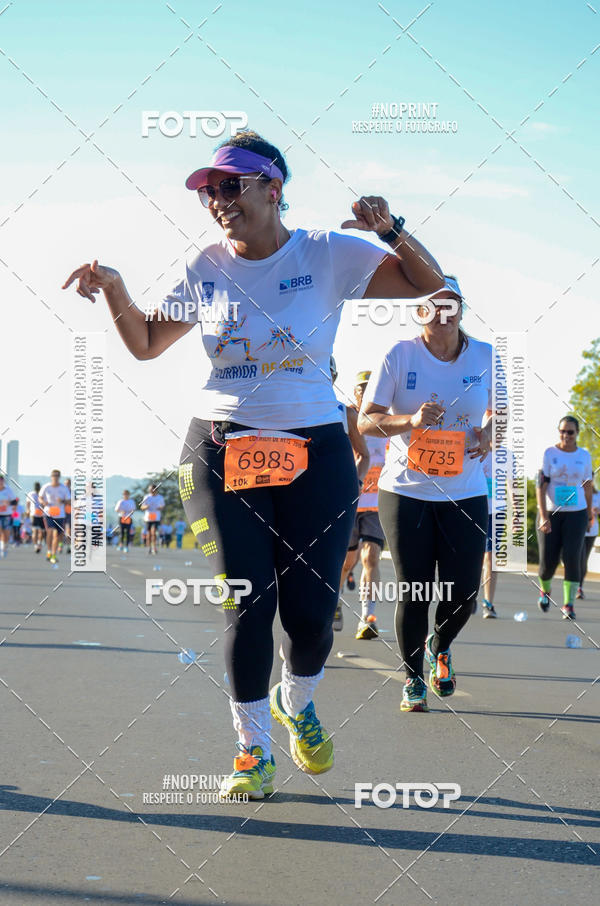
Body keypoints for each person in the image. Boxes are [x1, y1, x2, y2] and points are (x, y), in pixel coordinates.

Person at [63, 129, 443, 799]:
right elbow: (149, 341)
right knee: (247, 602)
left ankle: (297, 701)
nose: (217, 201)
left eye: (229, 186)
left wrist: (393, 229)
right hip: (220, 444)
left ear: (273, 189)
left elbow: (426, 284)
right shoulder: (204, 264)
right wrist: (117, 288)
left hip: (316, 450)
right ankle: (252, 751)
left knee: (310, 611)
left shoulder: (329, 253)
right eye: (209, 192)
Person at [359, 275, 493, 713]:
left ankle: (441, 645)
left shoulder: (486, 357)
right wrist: (411, 420)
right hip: (407, 491)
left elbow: (503, 411)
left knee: (464, 594)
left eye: (451, 303)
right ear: (419, 312)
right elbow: (366, 421)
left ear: (462, 308)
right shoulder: (400, 355)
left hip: (465, 492)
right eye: (433, 305)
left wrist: (490, 432)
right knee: (415, 588)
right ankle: (414, 679)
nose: (442, 312)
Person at [338, 371, 387, 639]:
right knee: (347, 562)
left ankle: (368, 616)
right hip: (350, 501)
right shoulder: (345, 422)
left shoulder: (384, 423)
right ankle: (334, 600)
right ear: (355, 394)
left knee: (371, 557)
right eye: (362, 389)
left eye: (372, 389)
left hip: (376, 504)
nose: (367, 394)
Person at [536, 417, 594, 619]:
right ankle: (545, 590)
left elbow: (587, 487)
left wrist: (589, 515)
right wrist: (543, 516)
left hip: (576, 513)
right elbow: (541, 486)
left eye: (570, 432)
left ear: (577, 433)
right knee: (547, 564)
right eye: (562, 431)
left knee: (572, 558)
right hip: (552, 513)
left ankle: (568, 605)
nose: (566, 436)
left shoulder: (584, 456)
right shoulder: (549, 453)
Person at [329, 357, 371, 632]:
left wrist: (354, 481)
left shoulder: (344, 413)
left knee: (343, 557)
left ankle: (333, 602)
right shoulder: (290, 410)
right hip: (298, 501)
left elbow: (364, 455)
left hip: (339, 499)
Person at [39, 469, 70, 565]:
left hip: (60, 515)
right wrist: (43, 502)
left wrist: (63, 501)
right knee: (50, 532)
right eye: (53, 475)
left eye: (57, 475)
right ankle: (49, 551)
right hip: (49, 513)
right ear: (51, 477)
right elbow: (40, 497)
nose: (55, 477)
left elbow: (69, 501)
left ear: (59, 477)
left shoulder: (64, 488)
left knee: (57, 535)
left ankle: (53, 554)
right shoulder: (46, 487)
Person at [577, 484, 599, 599]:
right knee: (578, 558)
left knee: (584, 559)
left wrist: (597, 510)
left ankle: (579, 587)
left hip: (592, 531)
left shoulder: (598, 494)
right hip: (578, 529)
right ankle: (576, 585)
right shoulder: (577, 490)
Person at [140, 484, 164, 555]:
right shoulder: (146, 497)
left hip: (156, 517)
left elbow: (162, 506)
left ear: (156, 490)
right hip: (148, 518)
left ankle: (154, 547)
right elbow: (142, 507)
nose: (151, 491)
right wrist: (146, 507)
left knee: (154, 532)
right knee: (149, 533)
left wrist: (159, 507)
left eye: (153, 490)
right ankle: (149, 547)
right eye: (150, 490)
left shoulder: (160, 497)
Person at [0, 475, 17, 558]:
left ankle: (5, 545)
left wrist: (8, 503)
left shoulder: (8, 490)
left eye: (1, 480)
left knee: (5, 532)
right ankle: (1, 547)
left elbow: (14, 501)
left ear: (3, 481)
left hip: (6, 514)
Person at [26, 482, 46, 553]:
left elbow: (45, 503)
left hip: (42, 515)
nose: (37, 487)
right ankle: (35, 545)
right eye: (36, 486)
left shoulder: (42, 494)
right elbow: (28, 503)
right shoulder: (31, 494)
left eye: (38, 486)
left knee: (42, 531)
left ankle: (39, 542)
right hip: (34, 514)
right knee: (35, 530)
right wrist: (28, 510)